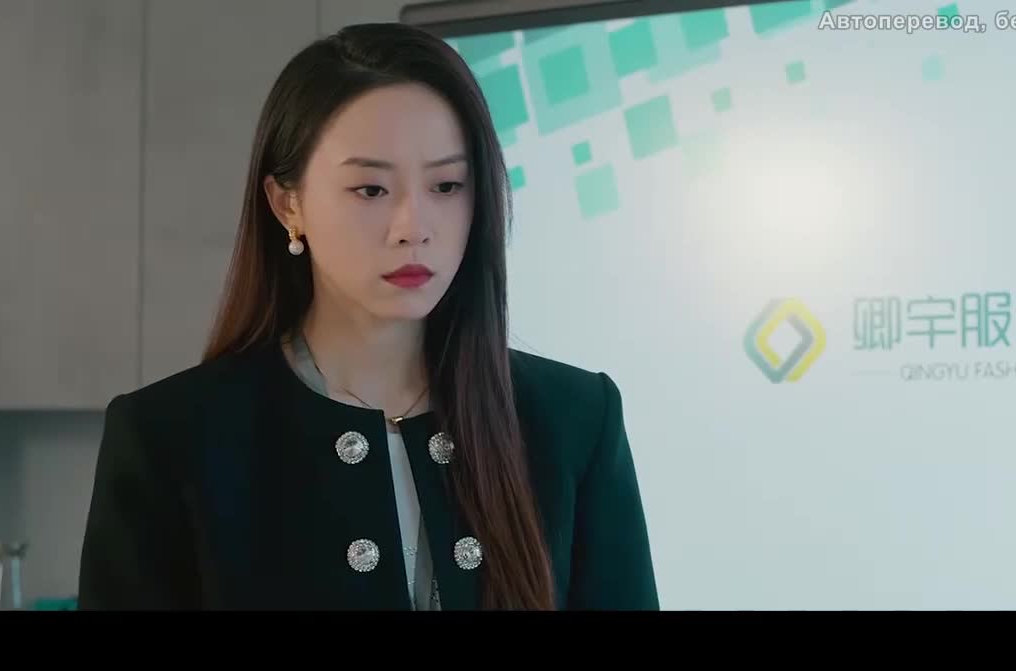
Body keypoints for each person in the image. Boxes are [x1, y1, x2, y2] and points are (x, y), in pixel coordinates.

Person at [77, 22, 658, 611]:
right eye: (371, 190)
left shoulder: (575, 421)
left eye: (447, 185)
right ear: (287, 204)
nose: (413, 227)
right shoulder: (169, 438)